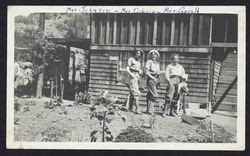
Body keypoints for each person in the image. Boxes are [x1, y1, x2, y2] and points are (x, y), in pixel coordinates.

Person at [126, 50, 143, 114]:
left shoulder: (138, 61)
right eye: (137, 53)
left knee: (132, 92)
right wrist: (132, 75)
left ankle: (129, 108)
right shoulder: (131, 59)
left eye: (140, 54)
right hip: (133, 77)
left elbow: (139, 70)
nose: (138, 54)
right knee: (136, 93)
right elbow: (127, 69)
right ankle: (137, 109)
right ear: (135, 53)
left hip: (137, 77)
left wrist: (140, 72)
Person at [145, 50, 160, 115]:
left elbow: (158, 72)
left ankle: (148, 110)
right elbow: (146, 72)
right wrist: (152, 77)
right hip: (151, 79)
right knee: (154, 94)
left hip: (156, 79)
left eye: (155, 54)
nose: (154, 56)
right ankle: (151, 110)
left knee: (150, 95)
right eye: (152, 54)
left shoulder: (157, 63)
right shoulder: (149, 62)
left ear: (157, 56)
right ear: (150, 55)